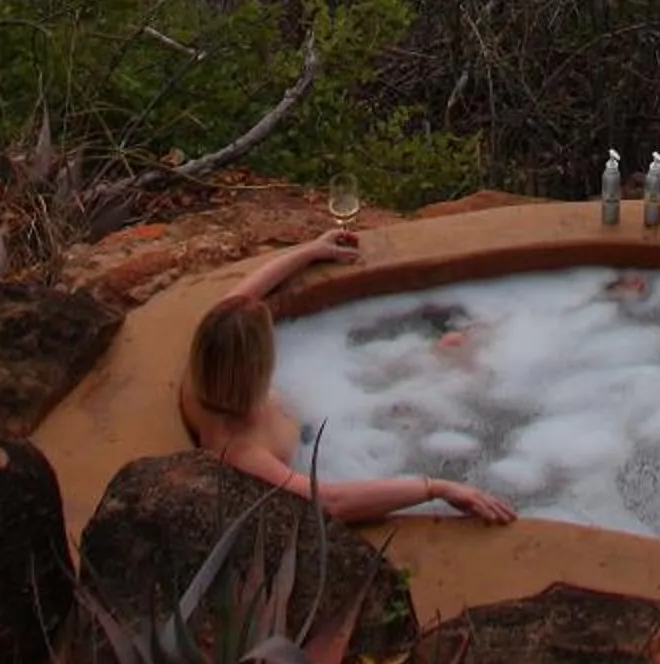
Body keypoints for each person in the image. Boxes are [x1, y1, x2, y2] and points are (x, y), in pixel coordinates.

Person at [178, 225, 517, 525]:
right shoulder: (240, 451)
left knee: (447, 348)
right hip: (331, 449)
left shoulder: (208, 364)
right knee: (448, 375)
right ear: (255, 365)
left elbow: (247, 291)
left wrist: (311, 251)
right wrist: (436, 488)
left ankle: (473, 347)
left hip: (335, 410)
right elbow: (332, 502)